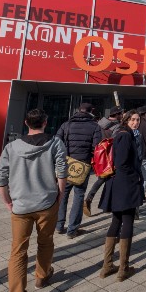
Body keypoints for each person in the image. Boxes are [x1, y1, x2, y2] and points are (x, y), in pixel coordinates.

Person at [0, 109, 67, 292]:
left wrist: (7, 201)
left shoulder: (12, 147)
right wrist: (60, 194)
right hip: (47, 203)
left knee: (18, 251)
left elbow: (1, 177)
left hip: (20, 205)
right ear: (45, 122)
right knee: (45, 241)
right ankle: (41, 276)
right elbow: (62, 171)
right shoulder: (55, 143)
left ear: (26, 123)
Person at [97, 110, 144, 282]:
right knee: (127, 221)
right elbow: (122, 162)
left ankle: (107, 266)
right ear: (125, 120)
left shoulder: (124, 134)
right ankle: (122, 268)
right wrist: (135, 178)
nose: (135, 122)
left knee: (116, 221)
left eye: (137, 119)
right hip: (125, 184)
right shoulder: (125, 136)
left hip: (119, 183)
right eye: (132, 119)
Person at [56, 102, 102, 238]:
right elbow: (97, 147)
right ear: (91, 111)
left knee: (62, 193)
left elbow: (57, 142)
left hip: (66, 163)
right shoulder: (95, 126)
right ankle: (72, 229)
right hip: (83, 165)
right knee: (79, 195)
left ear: (78, 111)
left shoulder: (66, 125)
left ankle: (59, 225)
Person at [84, 106, 123, 217]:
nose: (121, 115)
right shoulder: (117, 126)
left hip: (98, 155)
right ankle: (91, 199)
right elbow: (115, 142)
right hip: (110, 157)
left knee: (103, 178)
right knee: (106, 179)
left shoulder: (99, 123)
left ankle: (101, 202)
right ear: (116, 115)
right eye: (120, 113)